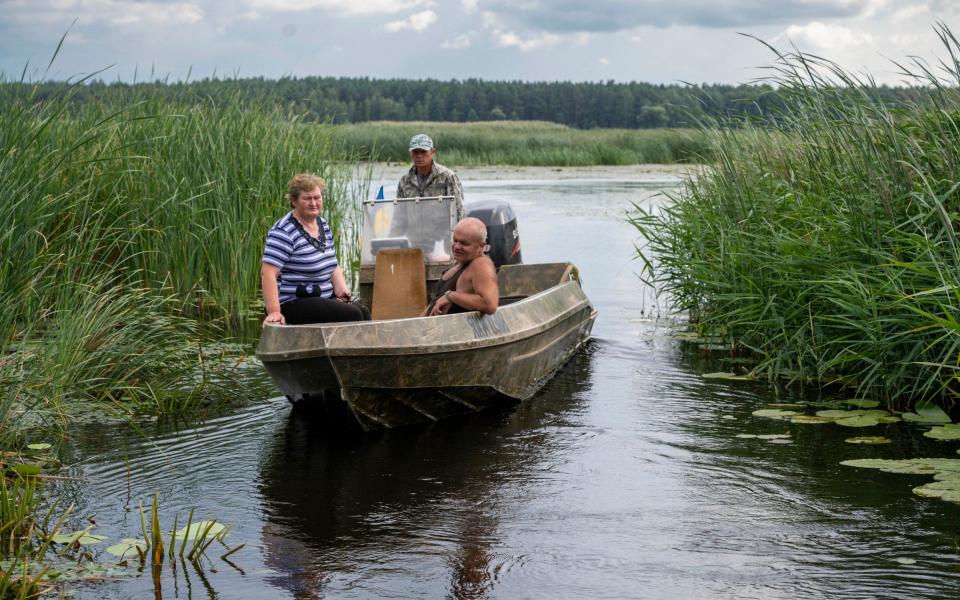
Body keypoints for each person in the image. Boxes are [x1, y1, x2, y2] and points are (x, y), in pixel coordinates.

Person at [261, 173, 369, 326]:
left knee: (363, 311)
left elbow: (331, 263)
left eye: (317, 197)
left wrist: (342, 290)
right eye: (307, 198)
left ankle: (365, 350)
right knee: (353, 315)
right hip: (292, 302)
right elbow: (268, 273)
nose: (313, 203)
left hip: (321, 298)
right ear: (294, 201)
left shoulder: (322, 223)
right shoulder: (283, 231)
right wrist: (274, 312)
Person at [423, 217, 498, 317]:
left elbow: (489, 305)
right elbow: (437, 299)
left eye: (464, 243)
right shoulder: (462, 261)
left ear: (481, 246)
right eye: (455, 240)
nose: (457, 246)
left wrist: (451, 296)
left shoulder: (481, 265)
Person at [396, 133, 465, 221]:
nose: (419, 156)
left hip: (442, 233)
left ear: (432, 152)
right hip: (413, 233)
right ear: (411, 154)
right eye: (416, 152)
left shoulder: (447, 177)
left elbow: (458, 211)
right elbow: (399, 216)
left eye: (423, 151)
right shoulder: (404, 180)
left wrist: (458, 234)